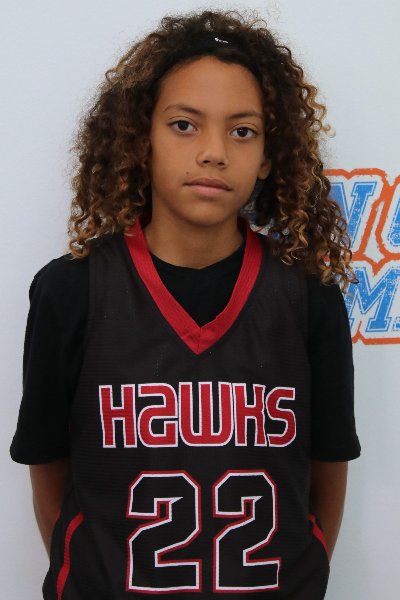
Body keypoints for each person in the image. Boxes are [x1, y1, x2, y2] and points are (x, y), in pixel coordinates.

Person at [10, 8, 361, 599]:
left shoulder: (309, 297)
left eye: (242, 131)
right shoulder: (70, 291)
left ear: (269, 155)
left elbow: (327, 467)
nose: (214, 152)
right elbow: (47, 466)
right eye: (184, 125)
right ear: (141, 139)